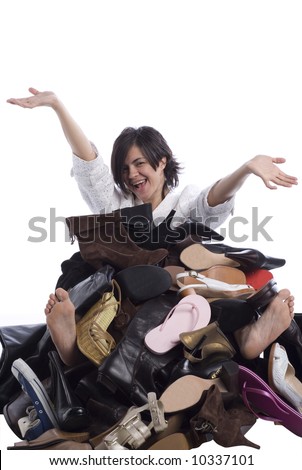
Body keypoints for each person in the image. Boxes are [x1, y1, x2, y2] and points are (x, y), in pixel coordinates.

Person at [7, 87, 298, 366]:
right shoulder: (116, 203)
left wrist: (246, 168)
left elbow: (212, 199)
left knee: (195, 252)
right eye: (123, 168)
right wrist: (58, 106)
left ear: (162, 161)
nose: (131, 174)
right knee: (87, 264)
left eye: (139, 163)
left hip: (175, 291)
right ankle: (72, 344)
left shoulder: (184, 201)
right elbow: (89, 164)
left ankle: (247, 337)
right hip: (121, 291)